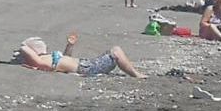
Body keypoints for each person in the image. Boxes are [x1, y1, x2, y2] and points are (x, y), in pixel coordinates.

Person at [17, 33, 145, 78]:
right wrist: (22, 49)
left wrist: (69, 46)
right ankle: (136, 75)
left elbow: (66, 59)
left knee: (114, 51)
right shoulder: (40, 61)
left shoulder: (47, 57)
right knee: (116, 51)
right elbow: (24, 48)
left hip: (86, 64)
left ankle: (134, 73)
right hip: (85, 68)